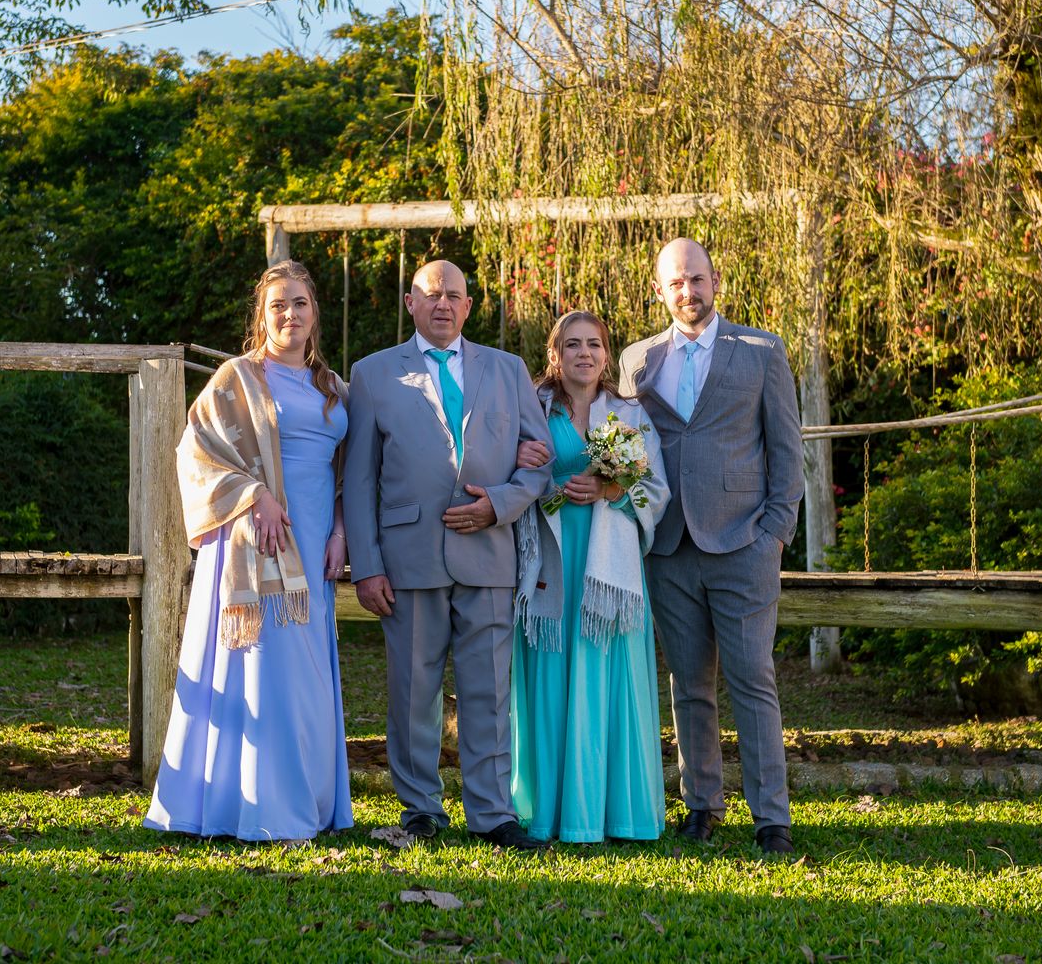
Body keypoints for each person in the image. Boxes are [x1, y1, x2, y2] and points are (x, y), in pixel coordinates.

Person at [343, 259, 552, 850]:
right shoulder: (373, 374)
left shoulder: (508, 370)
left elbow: (539, 462)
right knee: (414, 691)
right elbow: (359, 479)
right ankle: (421, 809)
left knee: (490, 690)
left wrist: (499, 505)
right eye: (430, 294)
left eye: (453, 295)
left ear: (468, 306)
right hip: (408, 558)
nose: (442, 304)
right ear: (410, 303)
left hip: (489, 551)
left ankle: (492, 813)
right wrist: (367, 566)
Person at [144, 260, 353, 842]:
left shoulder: (335, 389)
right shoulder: (236, 378)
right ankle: (253, 806)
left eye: (300, 303)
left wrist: (340, 533)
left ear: (315, 313)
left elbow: (347, 475)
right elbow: (194, 452)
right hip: (255, 540)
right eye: (278, 305)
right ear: (262, 316)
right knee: (263, 668)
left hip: (315, 541)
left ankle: (310, 802)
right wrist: (254, 495)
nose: (290, 314)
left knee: (308, 674)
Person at [617, 238, 804, 854]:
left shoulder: (761, 351)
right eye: (675, 282)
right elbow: (625, 445)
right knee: (688, 684)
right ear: (659, 290)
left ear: (716, 280)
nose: (688, 291)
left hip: (744, 542)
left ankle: (770, 816)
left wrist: (774, 534)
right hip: (668, 547)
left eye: (696, 279)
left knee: (753, 680)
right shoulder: (637, 361)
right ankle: (701, 804)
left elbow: (787, 452)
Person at [510, 311, 670, 843]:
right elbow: (503, 464)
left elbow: (657, 489)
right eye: (573, 344)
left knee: (608, 677)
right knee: (551, 676)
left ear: (606, 355)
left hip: (609, 568)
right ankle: (551, 813)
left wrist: (612, 489)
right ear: (554, 354)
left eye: (594, 345)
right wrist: (521, 460)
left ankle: (616, 813)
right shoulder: (532, 408)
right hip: (551, 559)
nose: (584, 353)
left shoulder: (629, 413)